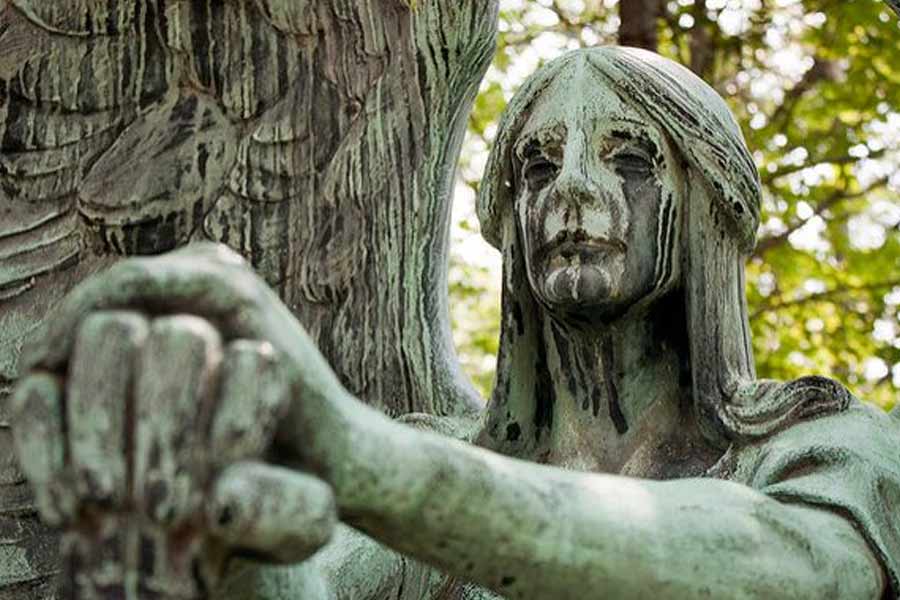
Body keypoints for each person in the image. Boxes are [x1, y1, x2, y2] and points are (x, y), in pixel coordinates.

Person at [13, 47, 900, 599]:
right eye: (538, 168)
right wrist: (216, 501)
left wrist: (362, 458)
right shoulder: (436, 458)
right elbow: (306, 580)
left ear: (709, 204)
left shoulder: (827, 447)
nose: (574, 191)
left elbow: (795, 567)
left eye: (629, 158)